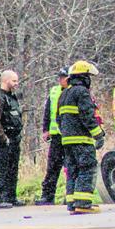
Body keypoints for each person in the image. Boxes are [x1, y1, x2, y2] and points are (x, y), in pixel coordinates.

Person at [57, 60, 104, 214]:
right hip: (82, 140)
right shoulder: (82, 92)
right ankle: (83, 204)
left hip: (66, 141)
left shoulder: (64, 93)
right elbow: (87, 116)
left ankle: (72, 203)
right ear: (84, 77)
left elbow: (58, 118)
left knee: (72, 170)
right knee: (87, 168)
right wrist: (98, 135)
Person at [0, 70, 23, 209]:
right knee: (2, 169)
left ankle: (11, 196)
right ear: (6, 80)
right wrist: (3, 138)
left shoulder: (11, 97)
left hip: (15, 138)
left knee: (12, 168)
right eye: (14, 81)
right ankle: (0, 198)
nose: (16, 83)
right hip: (5, 140)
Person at [36, 68, 69, 205]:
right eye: (60, 77)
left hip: (70, 135)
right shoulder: (54, 91)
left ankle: (71, 195)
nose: (60, 80)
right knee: (52, 167)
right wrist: (45, 129)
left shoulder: (75, 91)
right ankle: (47, 196)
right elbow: (48, 111)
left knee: (70, 167)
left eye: (63, 77)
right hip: (56, 136)